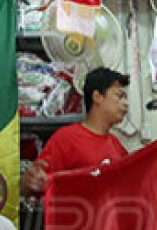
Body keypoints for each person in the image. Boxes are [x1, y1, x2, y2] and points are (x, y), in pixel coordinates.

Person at [22, 67, 129, 195]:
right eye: (119, 96)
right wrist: (29, 182)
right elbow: (32, 183)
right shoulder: (65, 139)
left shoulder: (116, 145)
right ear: (97, 96)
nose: (125, 103)